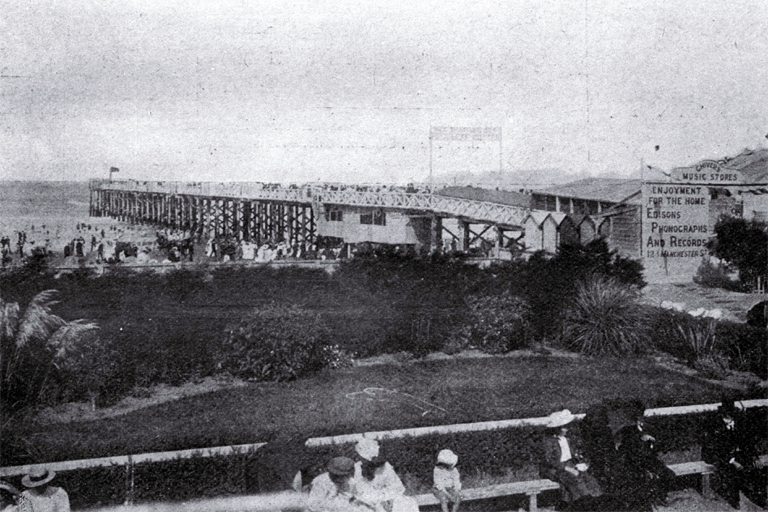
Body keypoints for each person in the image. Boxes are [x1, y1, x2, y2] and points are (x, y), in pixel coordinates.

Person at [702, 398, 767, 510]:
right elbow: (718, 449)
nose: (731, 416)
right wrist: (733, 461)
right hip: (718, 455)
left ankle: (762, 497)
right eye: (728, 414)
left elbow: (747, 442)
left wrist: (754, 457)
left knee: (757, 468)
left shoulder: (738, 423)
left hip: (734, 453)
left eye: (732, 413)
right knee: (732, 470)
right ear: (723, 413)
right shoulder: (716, 426)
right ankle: (735, 499)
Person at [612, 403, 675, 510]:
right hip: (634, 462)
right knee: (640, 480)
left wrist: (652, 441)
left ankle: (660, 496)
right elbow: (626, 448)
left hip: (649, 459)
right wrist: (640, 438)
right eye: (638, 415)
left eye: (641, 415)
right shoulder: (627, 430)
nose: (640, 417)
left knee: (669, 475)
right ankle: (647, 499)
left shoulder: (648, 427)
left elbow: (659, 444)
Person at [540, 409, 603, 510]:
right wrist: (567, 468)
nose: (567, 429)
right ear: (557, 428)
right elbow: (549, 461)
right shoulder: (548, 441)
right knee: (576, 481)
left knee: (589, 479)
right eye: (565, 427)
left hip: (569, 465)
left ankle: (594, 502)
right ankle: (581, 505)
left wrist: (581, 463)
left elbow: (573, 455)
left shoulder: (567, 439)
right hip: (555, 469)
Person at [353, 439, 419, 512]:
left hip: (388, 499)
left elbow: (396, 487)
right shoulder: (358, 468)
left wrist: (388, 499)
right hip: (369, 501)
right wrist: (379, 501)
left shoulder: (385, 466)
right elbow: (362, 490)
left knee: (408, 503)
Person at [308, 456, 374, 512]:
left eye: (345, 476)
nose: (341, 479)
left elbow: (360, 496)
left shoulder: (351, 481)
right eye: (337, 476)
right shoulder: (321, 481)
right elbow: (312, 505)